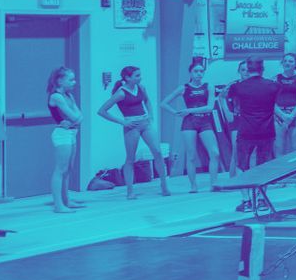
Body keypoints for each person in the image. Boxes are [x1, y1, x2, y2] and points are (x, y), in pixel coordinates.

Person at [98, 66, 171, 199]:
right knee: (130, 159)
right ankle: (130, 190)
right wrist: (123, 122)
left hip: (145, 123)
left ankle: (164, 184)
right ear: (127, 78)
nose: (140, 77)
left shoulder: (141, 87)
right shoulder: (121, 93)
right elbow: (102, 111)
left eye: (140, 75)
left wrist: (151, 115)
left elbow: (147, 101)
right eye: (137, 76)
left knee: (158, 152)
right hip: (132, 126)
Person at [162, 58, 220, 194]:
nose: (199, 74)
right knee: (191, 156)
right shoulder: (184, 88)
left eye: (201, 71)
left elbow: (210, 107)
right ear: (190, 73)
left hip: (205, 122)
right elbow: (163, 103)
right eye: (196, 71)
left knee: (215, 153)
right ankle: (193, 186)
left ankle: (214, 183)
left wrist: (188, 111)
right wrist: (176, 113)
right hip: (189, 123)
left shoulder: (208, 87)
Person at [227, 58, 281, 172]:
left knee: (242, 166)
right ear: (263, 69)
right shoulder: (274, 86)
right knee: (263, 167)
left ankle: (245, 189)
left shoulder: (236, 87)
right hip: (267, 132)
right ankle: (260, 190)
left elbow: (234, 106)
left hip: (246, 131)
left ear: (249, 69)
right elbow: (275, 104)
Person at [46, 66, 84, 212]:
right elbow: (76, 116)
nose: (74, 82)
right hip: (62, 133)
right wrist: (76, 118)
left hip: (72, 132)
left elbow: (80, 117)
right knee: (60, 169)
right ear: (60, 81)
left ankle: (66, 200)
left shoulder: (69, 95)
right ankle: (58, 204)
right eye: (71, 79)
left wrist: (76, 119)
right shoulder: (56, 96)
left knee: (68, 168)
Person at [272, 53, 296, 154]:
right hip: (279, 116)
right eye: (285, 61)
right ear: (282, 63)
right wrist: (282, 115)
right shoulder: (275, 79)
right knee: (278, 147)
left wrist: (291, 116)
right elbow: (271, 100)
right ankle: (282, 170)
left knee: (295, 148)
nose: (287, 63)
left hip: (295, 116)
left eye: (290, 61)